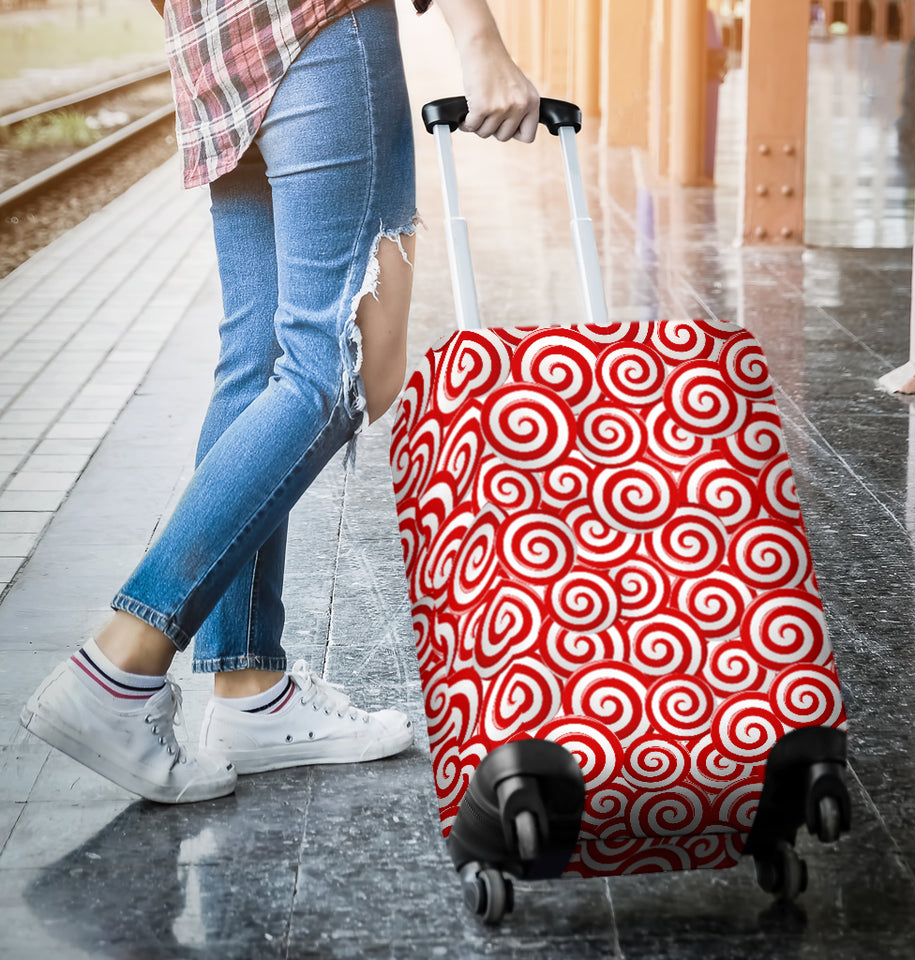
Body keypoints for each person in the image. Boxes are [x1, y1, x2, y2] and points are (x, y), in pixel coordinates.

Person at [20, 0, 540, 803]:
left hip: (214, 47)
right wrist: (480, 40)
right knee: (338, 366)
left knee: (259, 361)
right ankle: (119, 666)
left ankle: (248, 689)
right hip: (320, 25)